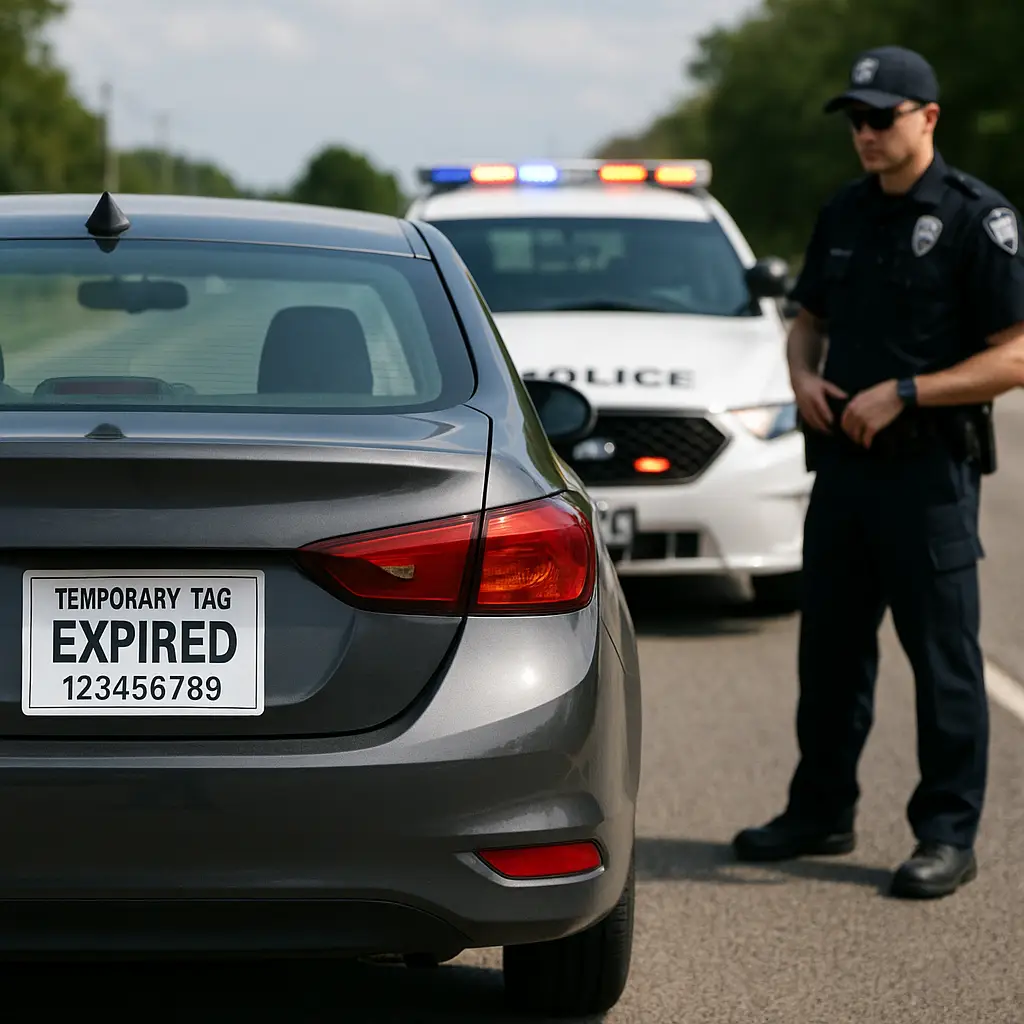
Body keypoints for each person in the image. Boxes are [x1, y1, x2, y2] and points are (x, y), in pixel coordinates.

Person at [732, 45, 1024, 899]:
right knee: (829, 655)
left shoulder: (980, 219)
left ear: (928, 118)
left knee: (942, 664)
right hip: (844, 478)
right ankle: (819, 811)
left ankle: (946, 834)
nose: (863, 132)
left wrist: (908, 391)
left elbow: (1014, 356)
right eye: (855, 119)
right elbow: (805, 321)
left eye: (881, 117)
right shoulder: (846, 212)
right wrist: (802, 376)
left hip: (929, 476)